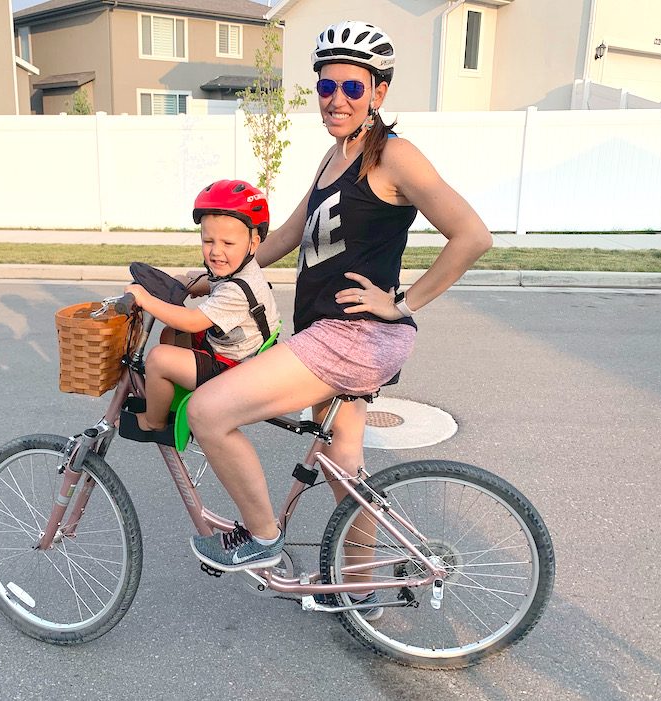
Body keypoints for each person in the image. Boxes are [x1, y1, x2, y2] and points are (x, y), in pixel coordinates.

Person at [186, 20, 493, 582]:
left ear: (378, 92)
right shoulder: (334, 159)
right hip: (331, 332)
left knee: (209, 411)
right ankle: (360, 586)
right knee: (341, 462)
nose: (336, 99)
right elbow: (282, 238)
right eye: (327, 86)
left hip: (351, 337)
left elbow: (473, 235)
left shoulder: (394, 156)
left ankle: (260, 539)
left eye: (353, 87)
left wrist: (402, 302)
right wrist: (203, 280)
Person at [122, 179, 280, 440]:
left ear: (254, 242)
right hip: (233, 350)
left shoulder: (236, 290)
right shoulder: (240, 268)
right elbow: (215, 281)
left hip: (235, 368)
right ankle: (171, 390)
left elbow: (193, 321)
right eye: (208, 241)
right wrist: (192, 282)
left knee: (159, 359)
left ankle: (154, 422)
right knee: (170, 335)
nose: (216, 252)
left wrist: (144, 299)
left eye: (227, 244)